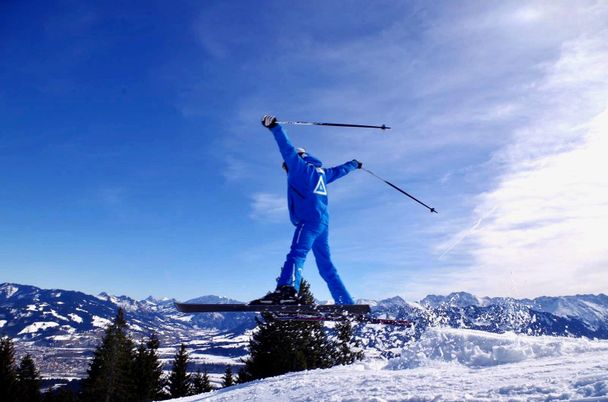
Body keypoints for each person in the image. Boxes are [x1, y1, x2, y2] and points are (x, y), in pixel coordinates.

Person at [250, 115, 362, 305]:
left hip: (309, 220)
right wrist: (354, 164)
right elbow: (341, 170)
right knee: (326, 266)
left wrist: (275, 128)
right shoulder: (322, 173)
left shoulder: (298, 167)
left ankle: (287, 290)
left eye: (286, 166)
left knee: (297, 252)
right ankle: (346, 302)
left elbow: (286, 147)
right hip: (322, 223)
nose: (286, 170)